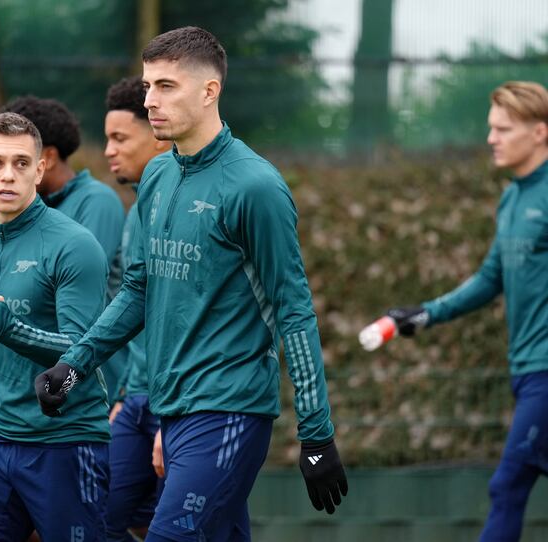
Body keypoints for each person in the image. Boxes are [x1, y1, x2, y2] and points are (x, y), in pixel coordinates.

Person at [35, 27, 348, 541]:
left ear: (209, 91)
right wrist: (75, 362)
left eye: (166, 86)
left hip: (230, 410)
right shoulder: (156, 177)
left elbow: (293, 312)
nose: (150, 101)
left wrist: (316, 433)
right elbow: (138, 290)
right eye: (147, 87)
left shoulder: (255, 187)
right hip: (171, 409)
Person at [384, 81, 548, 542]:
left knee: (507, 486)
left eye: (503, 129)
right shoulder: (513, 198)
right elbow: (490, 277)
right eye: (490, 128)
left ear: (539, 133)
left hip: (545, 373)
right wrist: (426, 314)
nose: (491, 138)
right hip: (527, 371)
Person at [0, 112, 111, 541]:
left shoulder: (75, 245)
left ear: (40, 170)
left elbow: (82, 351)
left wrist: (6, 325)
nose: (8, 175)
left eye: (22, 163)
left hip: (65, 444)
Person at [0, 96, 128, 400]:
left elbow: (53, 278)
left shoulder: (94, 206)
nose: (8, 174)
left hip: (100, 387)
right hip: (9, 420)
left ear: (43, 162)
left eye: (22, 161)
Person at [103, 75, 172, 542]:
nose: (109, 150)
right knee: (98, 513)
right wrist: (126, 394)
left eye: (119, 138)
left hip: (183, 402)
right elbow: (135, 308)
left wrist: (176, 415)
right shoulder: (134, 211)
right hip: (136, 399)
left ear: (155, 133)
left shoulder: (187, 207)